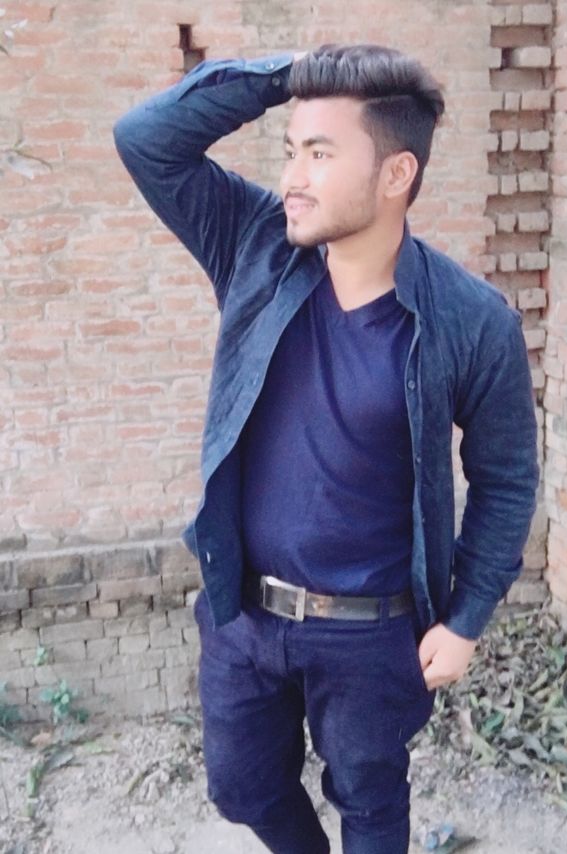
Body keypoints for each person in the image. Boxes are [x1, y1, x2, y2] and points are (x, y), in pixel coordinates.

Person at [113, 43, 539, 854]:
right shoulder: (256, 248)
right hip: (245, 615)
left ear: (396, 174)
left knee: (370, 804)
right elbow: (146, 139)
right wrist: (292, 73)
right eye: (290, 151)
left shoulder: (473, 322)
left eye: (319, 153)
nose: (291, 179)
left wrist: (466, 620)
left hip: (373, 634)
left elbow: (507, 480)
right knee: (242, 788)